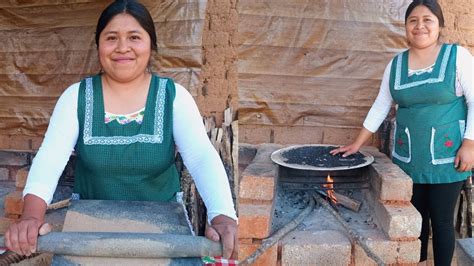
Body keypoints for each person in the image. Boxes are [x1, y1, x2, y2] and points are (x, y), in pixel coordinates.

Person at [4, 0, 238, 260]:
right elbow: (50, 157)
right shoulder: (77, 98)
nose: (122, 47)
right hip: (88, 234)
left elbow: (201, 157)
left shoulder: (173, 97)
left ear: (151, 45)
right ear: (99, 46)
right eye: (111, 37)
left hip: (164, 235)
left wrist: (223, 215)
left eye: (134, 37)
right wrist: (31, 217)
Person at [331, 0, 473, 265]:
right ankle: (416, 262)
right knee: (415, 218)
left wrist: (470, 144)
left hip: (448, 155)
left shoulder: (457, 56)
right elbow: (381, 105)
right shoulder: (396, 65)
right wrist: (356, 144)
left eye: (427, 20)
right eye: (413, 21)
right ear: (406, 27)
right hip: (408, 157)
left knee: (442, 219)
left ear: (439, 25)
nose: (420, 26)